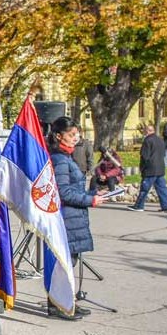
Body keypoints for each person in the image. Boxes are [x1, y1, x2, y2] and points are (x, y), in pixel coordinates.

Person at [49, 117, 104, 319]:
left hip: (73, 217)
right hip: (67, 217)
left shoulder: (67, 158)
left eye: (77, 134)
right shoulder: (60, 159)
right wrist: (90, 200)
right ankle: (59, 304)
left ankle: (67, 301)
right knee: (64, 264)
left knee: (69, 262)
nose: (76, 138)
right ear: (58, 136)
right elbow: (64, 192)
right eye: (71, 134)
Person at [128, 125, 167, 213]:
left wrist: (142, 168)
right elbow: (164, 154)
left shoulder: (147, 140)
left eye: (144, 131)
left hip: (150, 169)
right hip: (160, 168)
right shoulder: (160, 140)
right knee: (162, 188)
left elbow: (145, 156)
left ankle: (139, 206)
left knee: (145, 188)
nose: (144, 133)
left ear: (147, 131)